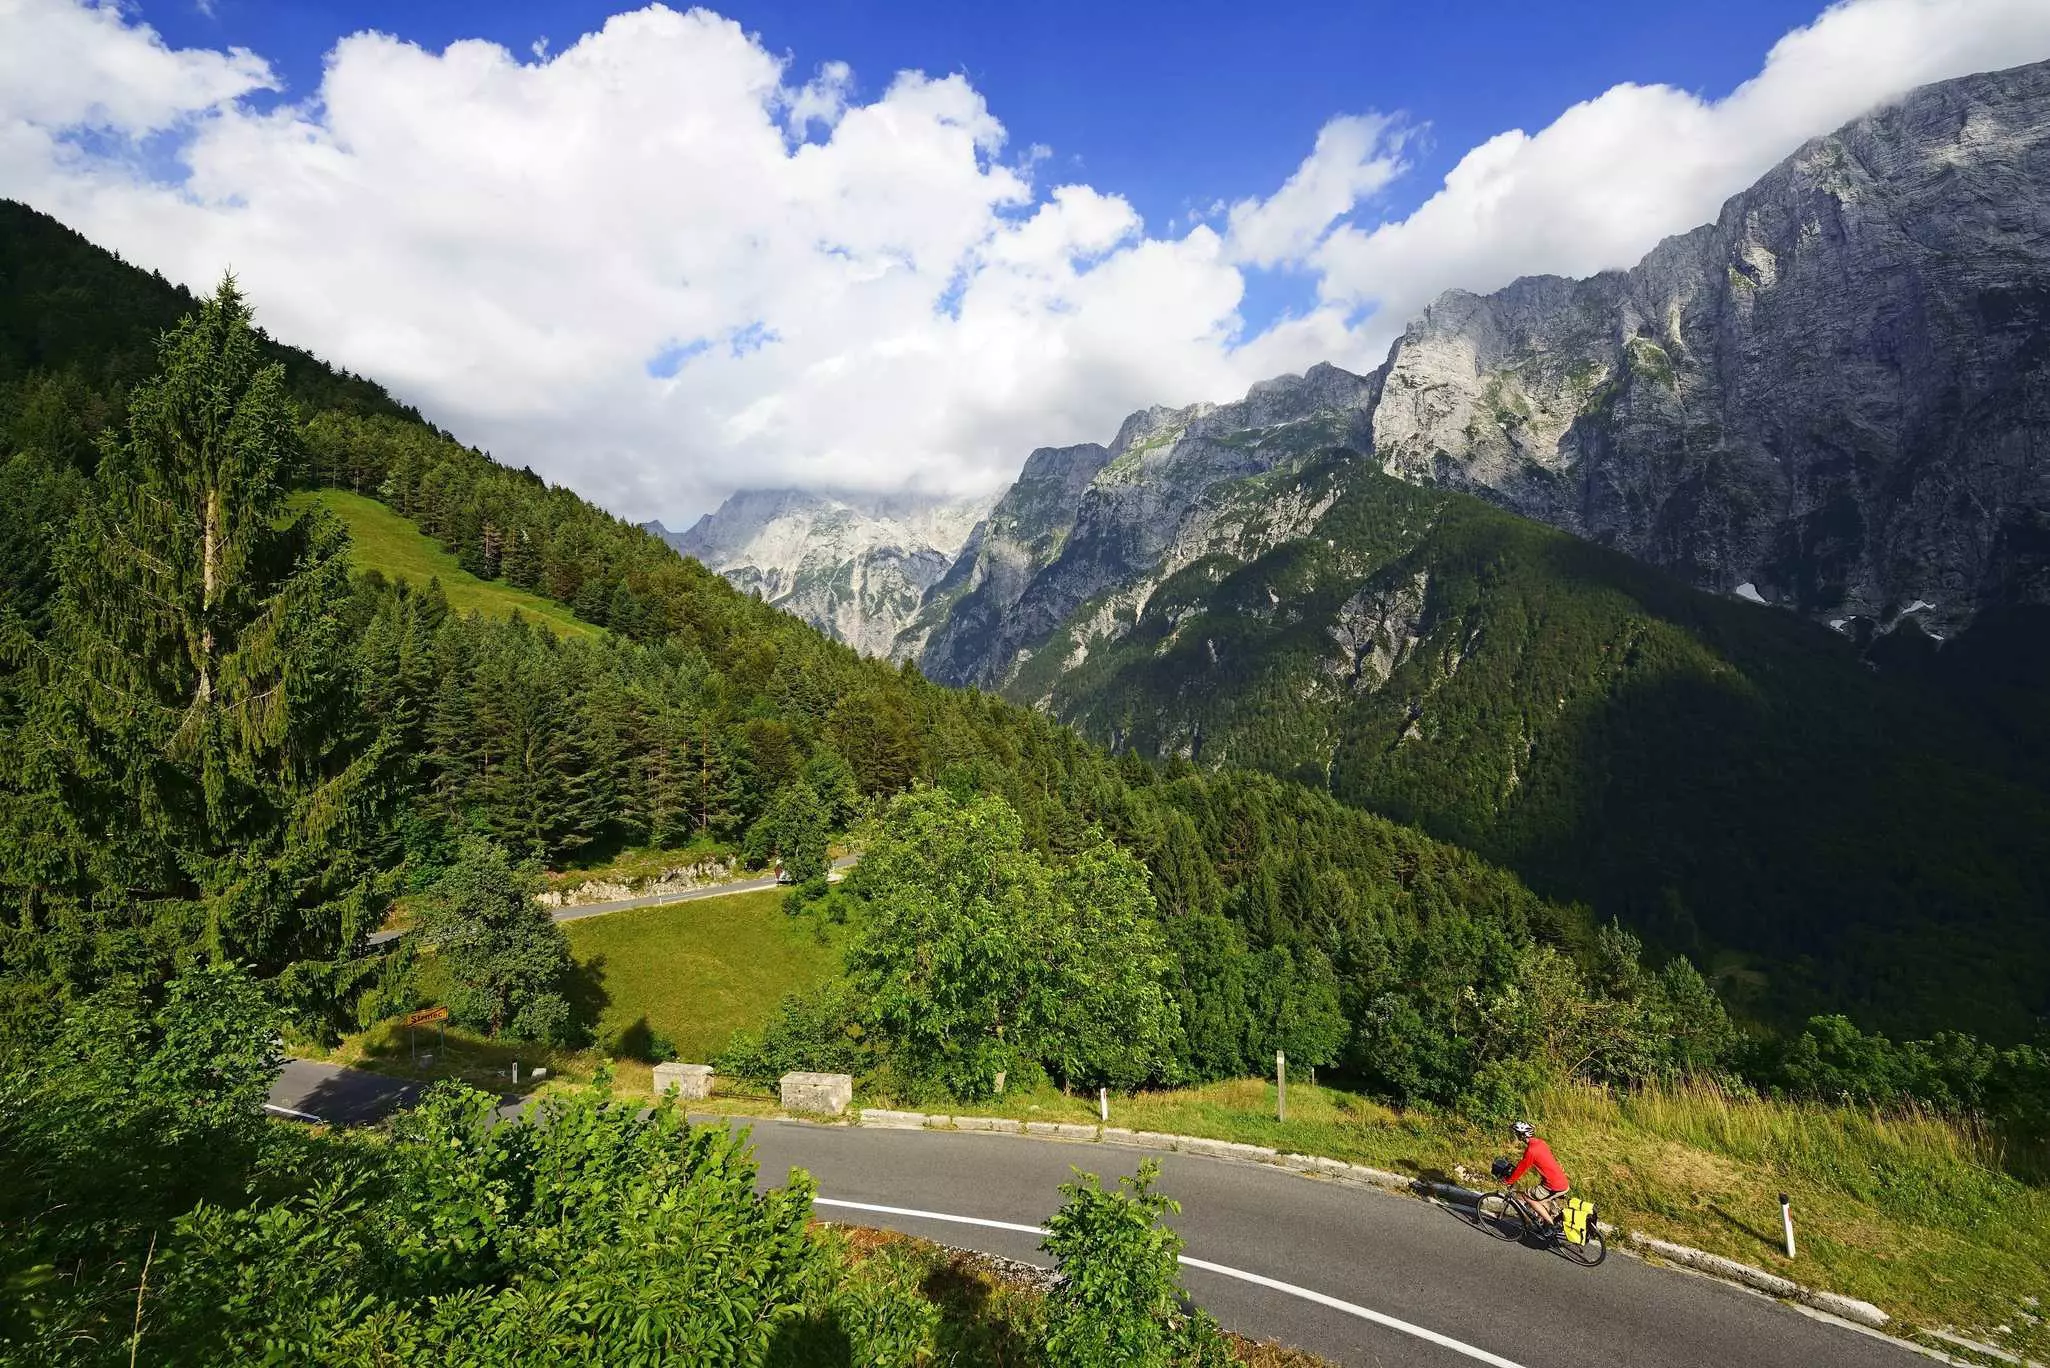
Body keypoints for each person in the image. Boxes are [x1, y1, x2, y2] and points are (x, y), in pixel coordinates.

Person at [1500, 1120, 1570, 1227]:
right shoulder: (1540, 1143)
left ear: (1523, 1135)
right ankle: (1547, 1218)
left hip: (1553, 1185)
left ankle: (1551, 1225)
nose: (1517, 1136)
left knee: (1527, 1197)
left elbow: (1521, 1169)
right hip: (1561, 1180)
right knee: (1539, 1196)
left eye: (1518, 1133)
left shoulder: (1531, 1150)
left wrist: (1508, 1181)